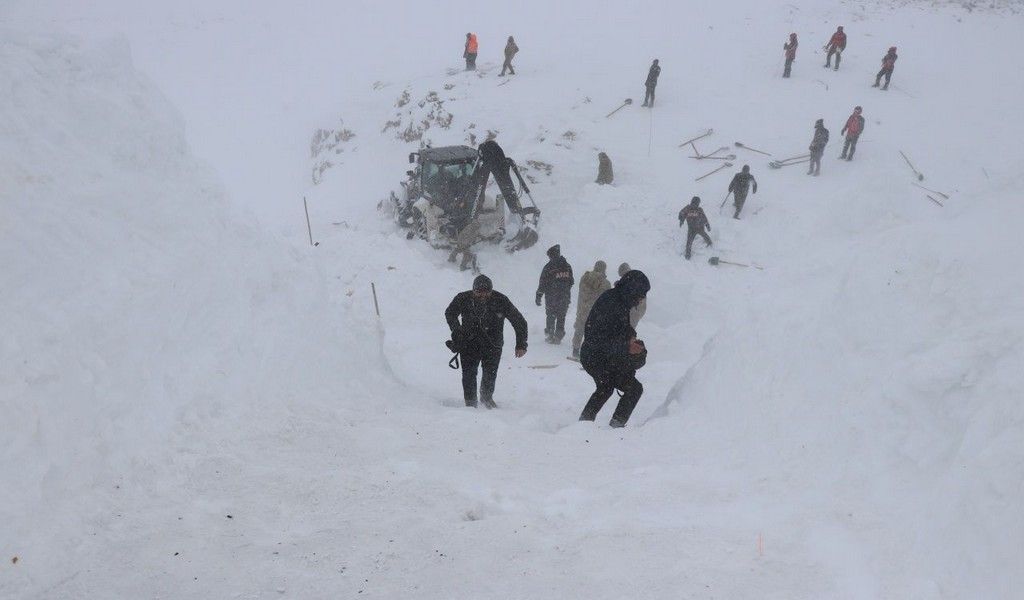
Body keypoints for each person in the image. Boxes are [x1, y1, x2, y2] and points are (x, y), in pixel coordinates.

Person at [579, 270, 651, 428]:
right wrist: (626, 347)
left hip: (608, 356)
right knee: (607, 386)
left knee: (633, 388)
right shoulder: (609, 301)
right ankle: (583, 426)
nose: (640, 300)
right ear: (632, 290)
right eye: (640, 295)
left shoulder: (621, 302)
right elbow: (596, 339)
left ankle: (614, 426)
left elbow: (623, 329)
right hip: (593, 356)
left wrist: (632, 339)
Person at [445, 274, 527, 408]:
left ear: (491, 291)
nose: (482, 296)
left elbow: (519, 321)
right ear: (473, 290)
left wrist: (521, 344)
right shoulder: (463, 298)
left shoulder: (501, 300)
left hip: (492, 344)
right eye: (479, 293)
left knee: (490, 373)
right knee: (469, 374)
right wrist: (456, 330)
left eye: (486, 293)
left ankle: (486, 398)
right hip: (468, 343)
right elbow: (450, 313)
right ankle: (470, 403)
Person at [571, 260, 611, 360]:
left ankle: (575, 350)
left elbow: (581, 293)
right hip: (596, 312)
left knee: (579, 329)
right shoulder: (606, 283)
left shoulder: (584, 278)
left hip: (583, 309)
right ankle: (589, 353)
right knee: (593, 332)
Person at [536, 244, 575, 344]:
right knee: (561, 317)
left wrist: (539, 295)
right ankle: (558, 337)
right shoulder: (567, 266)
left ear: (551, 255)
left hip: (551, 297)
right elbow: (571, 281)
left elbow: (542, 283)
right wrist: (564, 291)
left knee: (550, 316)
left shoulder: (548, 267)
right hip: (564, 297)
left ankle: (550, 335)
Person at [618, 262, 646, 329]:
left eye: (622, 275)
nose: (621, 277)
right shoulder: (637, 280)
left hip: (632, 313)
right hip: (633, 313)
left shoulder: (632, 281)